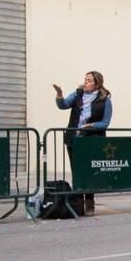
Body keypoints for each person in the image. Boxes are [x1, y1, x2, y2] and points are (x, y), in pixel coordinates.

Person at [54, 71, 113, 217]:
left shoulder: (104, 100)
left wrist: (91, 125)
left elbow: (105, 123)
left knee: (89, 172)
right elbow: (63, 105)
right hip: (74, 139)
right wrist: (59, 95)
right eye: (85, 80)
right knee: (77, 171)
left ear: (97, 83)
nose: (85, 82)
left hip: (91, 140)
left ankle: (89, 202)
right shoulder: (77, 94)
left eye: (89, 80)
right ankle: (78, 204)